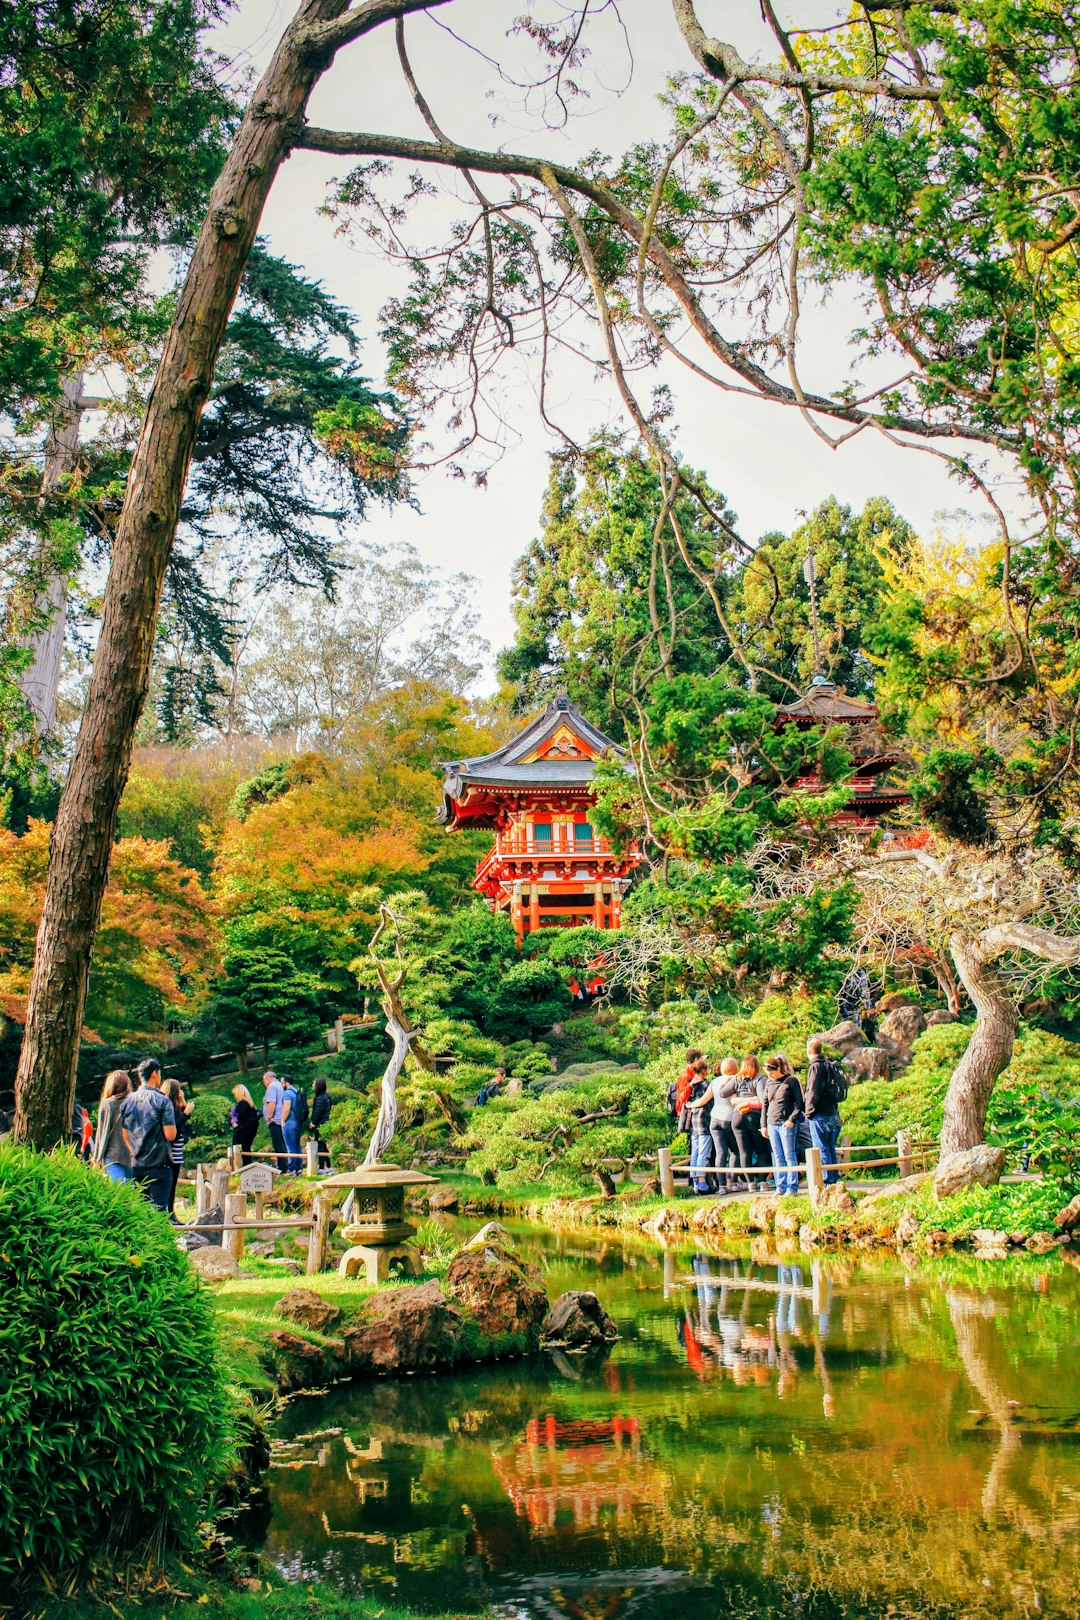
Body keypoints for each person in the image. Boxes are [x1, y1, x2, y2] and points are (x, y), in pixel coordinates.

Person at [119, 1057, 176, 1211]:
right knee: (159, 1211)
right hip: (159, 1163)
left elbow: (125, 1135)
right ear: (155, 1074)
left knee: (141, 1211)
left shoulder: (127, 1103)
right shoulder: (163, 1101)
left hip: (137, 1164)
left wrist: (135, 1152)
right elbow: (170, 1135)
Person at [686, 1058, 743, 1193]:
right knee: (735, 1152)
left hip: (715, 1119)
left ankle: (722, 1186)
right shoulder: (737, 1079)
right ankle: (733, 1182)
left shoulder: (715, 1082)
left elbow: (703, 1100)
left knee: (720, 1153)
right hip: (730, 1118)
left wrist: (690, 1105)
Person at [804, 1036, 847, 1186]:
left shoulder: (815, 1066)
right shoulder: (829, 1065)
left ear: (809, 1051)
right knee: (830, 1147)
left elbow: (813, 1091)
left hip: (819, 1113)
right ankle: (833, 1178)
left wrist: (808, 1111)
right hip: (832, 1111)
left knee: (821, 1147)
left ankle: (826, 1180)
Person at [763, 1054, 804, 1196]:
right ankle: (780, 1186)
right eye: (768, 1074)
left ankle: (792, 1187)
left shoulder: (791, 1081)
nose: (771, 1076)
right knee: (777, 1156)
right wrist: (764, 1125)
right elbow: (765, 1104)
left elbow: (800, 1104)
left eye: (772, 1073)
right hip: (772, 1122)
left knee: (789, 1155)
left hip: (786, 1123)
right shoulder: (769, 1083)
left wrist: (791, 1119)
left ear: (778, 1069)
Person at [730, 1055, 770, 1179]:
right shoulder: (759, 1079)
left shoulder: (737, 1079)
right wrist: (751, 1099)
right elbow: (763, 1098)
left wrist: (737, 1098)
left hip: (737, 1116)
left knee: (744, 1151)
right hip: (754, 1117)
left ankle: (750, 1183)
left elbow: (723, 1092)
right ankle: (763, 1182)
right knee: (762, 1151)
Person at [92, 1070, 133, 1183]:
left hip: (113, 1155)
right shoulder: (134, 1102)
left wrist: (96, 1157)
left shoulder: (107, 1104)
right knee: (133, 1194)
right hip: (133, 1155)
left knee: (117, 1192)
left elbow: (101, 1133)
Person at [681, 1056, 714, 1193]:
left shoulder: (689, 1085)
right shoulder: (706, 1085)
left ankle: (695, 1182)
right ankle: (702, 1183)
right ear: (704, 1070)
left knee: (695, 1152)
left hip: (693, 1120)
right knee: (703, 1152)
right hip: (704, 1121)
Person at [161, 1078, 191, 1220]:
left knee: (173, 1185)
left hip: (177, 1151)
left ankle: (171, 1212)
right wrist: (186, 1113)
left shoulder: (173, 1106)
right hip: (171, 1152)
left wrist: (183, 1101)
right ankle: (169, 1213)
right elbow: (177, 1122)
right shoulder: (168, 1108)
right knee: (170, 1184)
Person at [262, 1069, 287, 1171]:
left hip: (275, 1120)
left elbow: (271, 1102)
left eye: (264, 1081)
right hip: (280, 1119)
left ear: (267, 1079)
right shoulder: (279, 1085)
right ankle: (285, 1165)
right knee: (281, 1142)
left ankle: (282, 1167)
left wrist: (269, 1116)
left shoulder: (272, 1087)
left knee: (278, 1144)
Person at [231, 1084, 261, 1164]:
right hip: (251, 1129)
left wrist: (237, 1124)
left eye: (234, 1094)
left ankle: (243, 1167)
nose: (234, 1096)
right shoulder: (249, 1103)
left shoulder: (242, 1103)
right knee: (246, 1148)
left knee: (241, 1149)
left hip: (244, 1130)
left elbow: (241, 1117)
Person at [280, 1074, 303, 1174]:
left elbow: (287, 1108)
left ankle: (292, 1169)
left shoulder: (287, 1094)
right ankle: (299, 1168)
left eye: (282, 1082)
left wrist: (282, 1120)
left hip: (290, 1122)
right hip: (298, 1122)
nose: (281, 1084)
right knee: (297, 1145)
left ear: (286, 1083)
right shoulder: (296, 1091)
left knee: (290, 1147)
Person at [310, 1076, 332, 1171]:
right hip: (326, 1123)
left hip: (320, 1124)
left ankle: (322, 1167)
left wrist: (313, 1123)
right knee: (323, 1145)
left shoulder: (319, 1098)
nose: (313, 1085)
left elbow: (317, 1112)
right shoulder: (327, 1096)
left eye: (314, 1083)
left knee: (320, 1146)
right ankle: (328, 1165)